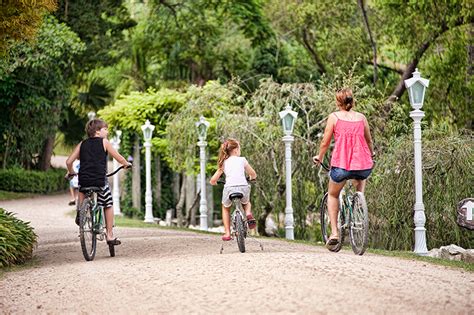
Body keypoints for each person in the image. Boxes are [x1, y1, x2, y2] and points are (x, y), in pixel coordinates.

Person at [313, 88, 374, 251]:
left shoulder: (334, 117)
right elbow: (369, 141)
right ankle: (359, 202)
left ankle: (334, 233)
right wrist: (372, 154)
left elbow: (325, 142)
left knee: (333, 194)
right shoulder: (362, 118)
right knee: (361, 177)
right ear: (352, 101)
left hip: (341, 165)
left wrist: (319, 156)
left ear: (338, 102)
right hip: (363, 166)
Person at [65, 119, 131, 246]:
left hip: (84, 179)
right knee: (108, 203)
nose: (107, 131)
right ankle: (110, 235)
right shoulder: (104, 142)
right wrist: (125, 164)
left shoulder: (82, 144)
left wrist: (71, 171)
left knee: (82, 189)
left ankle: (80, 212)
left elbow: (68, 162)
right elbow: (118, 157)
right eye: (105, 129)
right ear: (97, 131)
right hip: (100, 180)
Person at [210, 139, 257, 241]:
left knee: (225, 207)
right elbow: (253, 174)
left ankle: (227, 233)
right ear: (236, 150)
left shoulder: (224, 163)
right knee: (246, 203)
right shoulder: (242, 160)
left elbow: (212, 180)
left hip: (229, 188)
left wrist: (215, 183)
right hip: (243, 186)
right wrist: (251, 178)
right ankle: (248, 213)